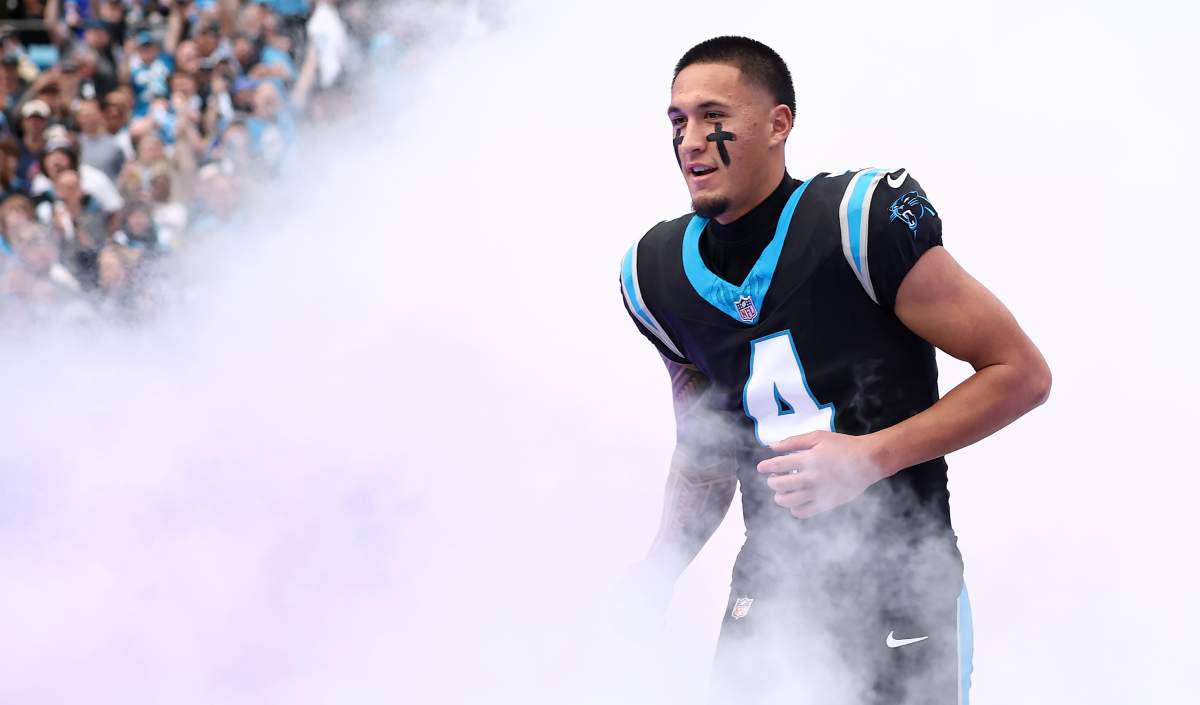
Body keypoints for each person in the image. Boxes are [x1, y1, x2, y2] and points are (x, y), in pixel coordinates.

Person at [619, 36, 1051, 705]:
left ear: (778, 123)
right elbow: (706, 453)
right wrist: (658, 572)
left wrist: (871, 455)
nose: (691, 140)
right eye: (678, 121)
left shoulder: (859, 222)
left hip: (902, 586)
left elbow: (1021, 373)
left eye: (713, 116)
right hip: (769, 589)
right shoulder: (656, 275)